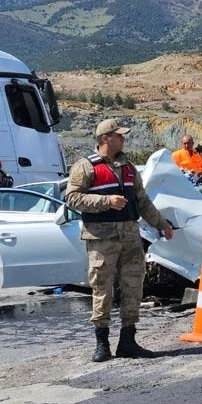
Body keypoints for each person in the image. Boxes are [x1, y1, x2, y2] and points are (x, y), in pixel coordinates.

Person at [66, 119, 174, 363]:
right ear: (105, 138)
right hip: (101, 236)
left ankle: (128, 340)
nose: (123, 139)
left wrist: (162, 224)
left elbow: (143, 200)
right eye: (119, 135)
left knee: (133, 285)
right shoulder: (86, 166)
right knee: (102, 288)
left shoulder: (128, 168)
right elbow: (72, 198)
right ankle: (102, 343)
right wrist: (106, 202)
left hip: (130, 236)